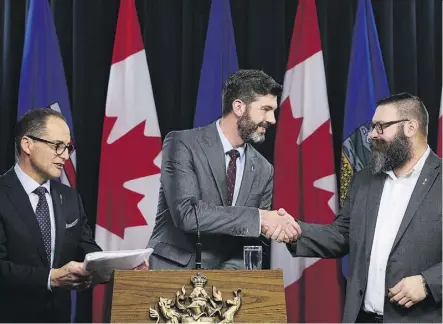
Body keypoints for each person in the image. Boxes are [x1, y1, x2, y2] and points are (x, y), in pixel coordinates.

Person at [278, 93, 441, 323]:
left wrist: (428, 282)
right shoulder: (365, 179)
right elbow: (342, 234)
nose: (372, 134)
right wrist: (291, 230)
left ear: (411, 127)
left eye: (381, 127)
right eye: (373, 126)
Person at [0, 108, 147, 323]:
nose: (66, 156)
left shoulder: (69, 198)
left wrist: (121, 269)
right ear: (27, 144)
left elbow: (86, 249)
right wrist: (50, 278)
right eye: (57, 146)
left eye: (68, 147)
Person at [148, 69, 299, 270]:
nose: (272, 119)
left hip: (225, 291)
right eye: (265, 109)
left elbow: (253, 242)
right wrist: (259, 218)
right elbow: (187, 214)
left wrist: (224, 281)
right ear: (238, 107)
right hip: (169, 276)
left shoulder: (264, 169)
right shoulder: (182, 144)